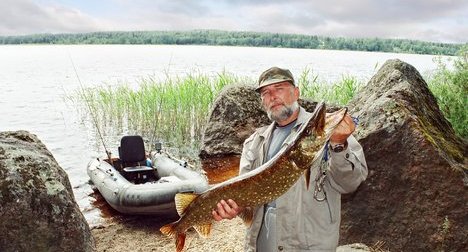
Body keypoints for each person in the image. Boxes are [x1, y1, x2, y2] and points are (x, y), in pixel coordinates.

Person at [211, 67, 368, 251]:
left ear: (296, 92)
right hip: (263, 244)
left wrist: (339, 146)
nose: (273, 96)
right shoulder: (253, 143)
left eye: (279, 88)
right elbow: (246, 198)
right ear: (262, 102)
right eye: (266, 93)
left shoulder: (329, 132)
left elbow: (350, 183)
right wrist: (234, 209)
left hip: (308, 246)